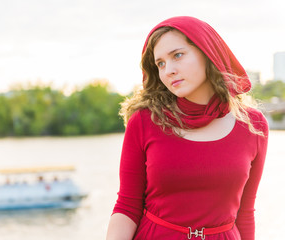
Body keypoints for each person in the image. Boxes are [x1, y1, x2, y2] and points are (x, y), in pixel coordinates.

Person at [106, 16, 268, 240]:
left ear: (207, 52)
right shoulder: (144, 120)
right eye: (160, 63)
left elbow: (245, 213)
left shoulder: (253, 125)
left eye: (177, 55)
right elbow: (127, 205)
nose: (168, 70)